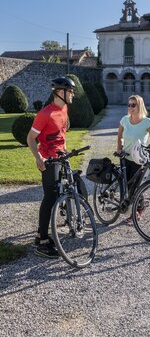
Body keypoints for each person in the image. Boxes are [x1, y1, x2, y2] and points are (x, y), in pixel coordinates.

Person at [27, 76, 75, 259]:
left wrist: (65, 151)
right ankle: (42, 241)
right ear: (60, 92)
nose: (73, 94)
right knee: (50, 196)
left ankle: (45, 233)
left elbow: (61, 134)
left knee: (70, 188)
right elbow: (30, 138)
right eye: (70, 91)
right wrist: (39, 158)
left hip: (61, 156)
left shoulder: (64, 109)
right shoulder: (45, 113)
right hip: (48, 160)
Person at [116, 94, 150, 221]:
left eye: (133, 105)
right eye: (129, 105)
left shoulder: (147, 122)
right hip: (126, 157)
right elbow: (120, 136)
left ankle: (138, 210)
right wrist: (119, 148)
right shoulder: (124, 120)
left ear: (140, 106)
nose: (130, 107)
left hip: (139, 158)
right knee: (127, 186)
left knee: (138, 186)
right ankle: (132, 210)